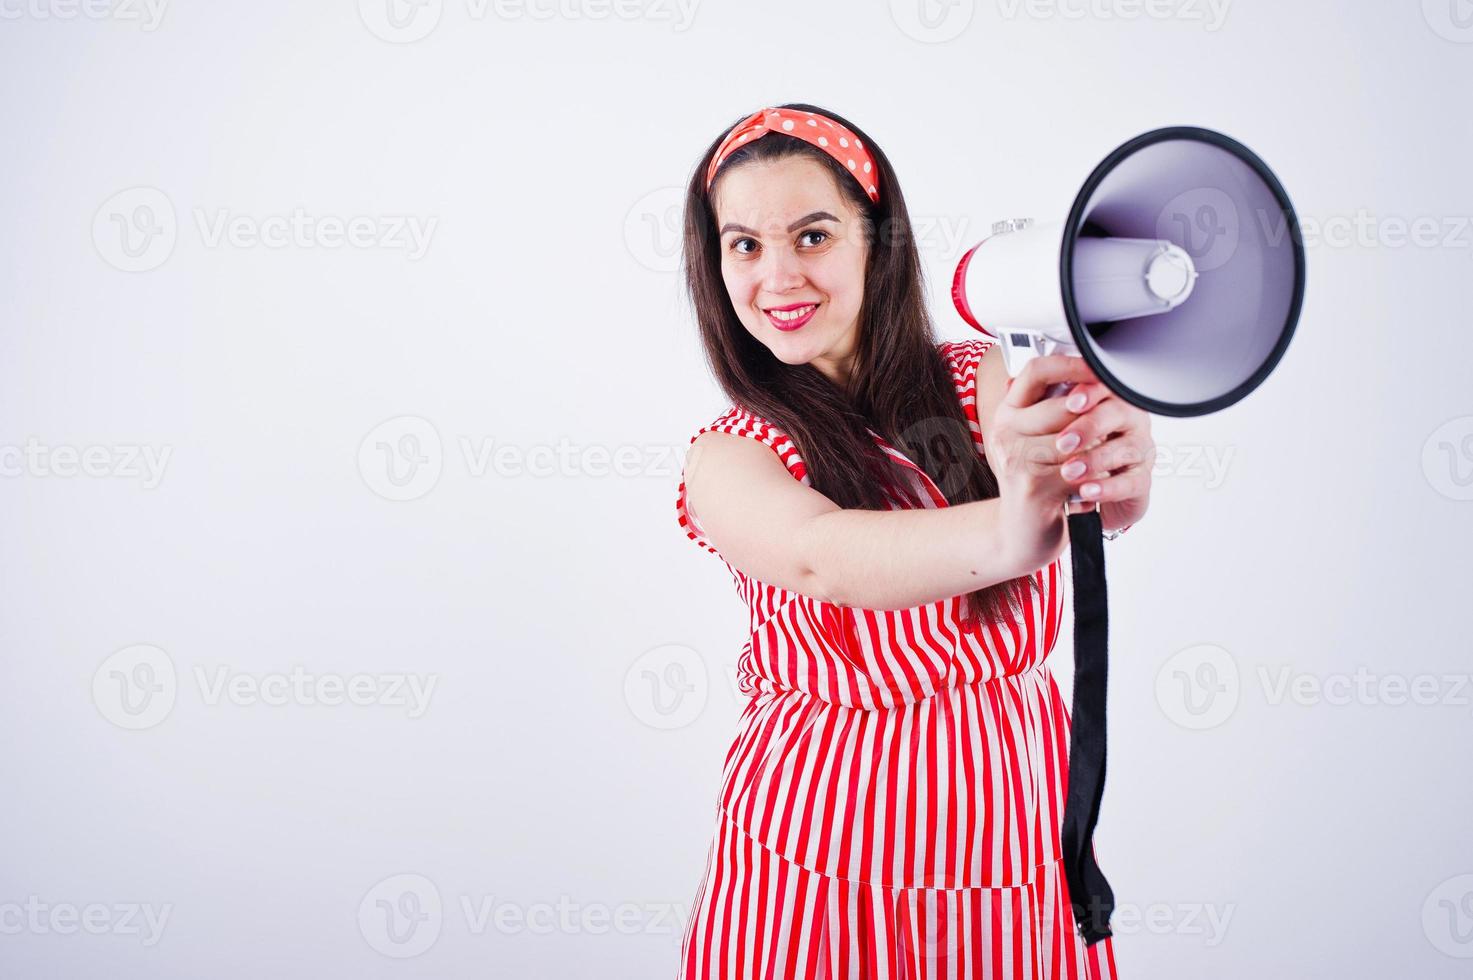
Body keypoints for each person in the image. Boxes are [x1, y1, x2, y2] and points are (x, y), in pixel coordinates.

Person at [673, 103, 1153, 980]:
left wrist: (1109, 474)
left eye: (811, 236)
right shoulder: (731, 455)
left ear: (877, 243)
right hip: (816, 855)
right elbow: (825, 557)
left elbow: (1064, 483)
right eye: (742, 244)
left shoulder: (983, 381)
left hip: (1008, 826)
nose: (777, 275)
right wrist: (1016, 529)